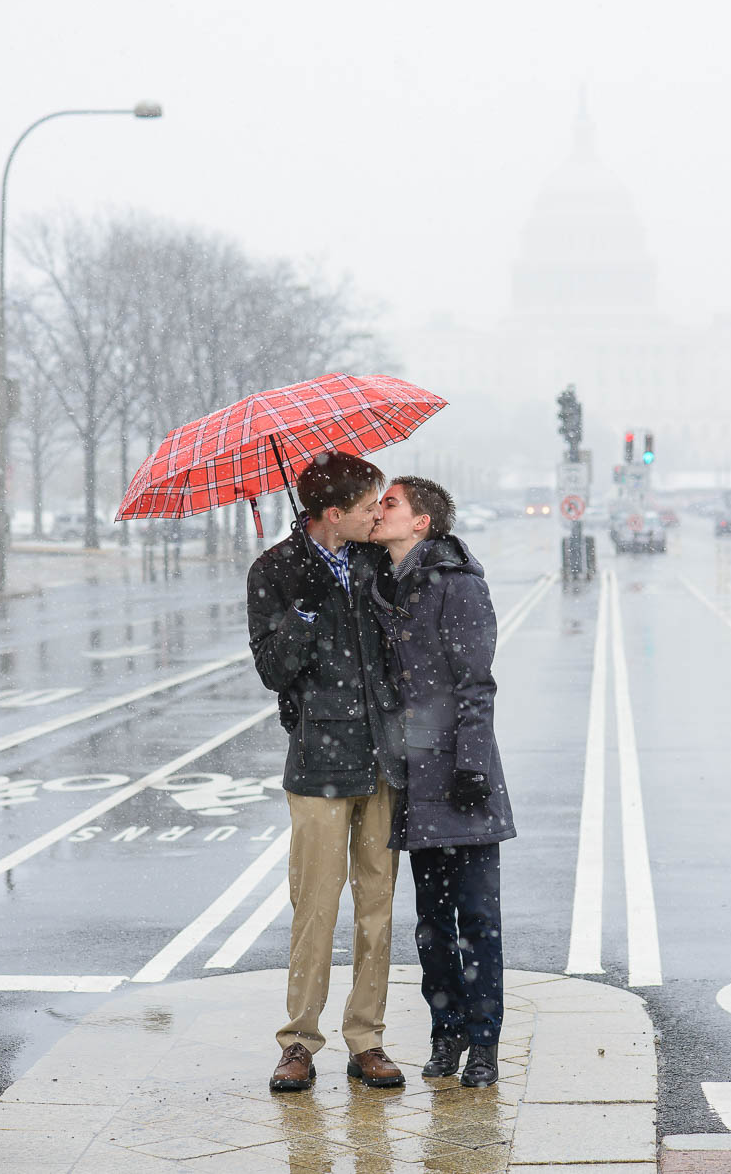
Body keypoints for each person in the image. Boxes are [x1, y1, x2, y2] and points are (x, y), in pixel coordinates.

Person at [247, 451, 406, 1093]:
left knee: (378, 904)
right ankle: (299, 1041)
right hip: (318, 762)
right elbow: (274, 671)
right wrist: (306, 614)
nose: (379, 514)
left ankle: (366, 1037)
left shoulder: (377, 560)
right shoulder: (275, 572)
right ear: (334, 515)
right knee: (314, 906)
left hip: (382, 758)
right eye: (370, 506)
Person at [370, 476, 515, 1087]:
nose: (378, 512)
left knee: (477, 921)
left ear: (422, 521)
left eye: (390, 504)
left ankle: (483, 1045)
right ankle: (445, 1034)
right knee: (431, 925)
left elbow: (476, 683)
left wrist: (472, 766)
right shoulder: (379, 582)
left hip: (462, 777)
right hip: (414, 778)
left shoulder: (458, 585)